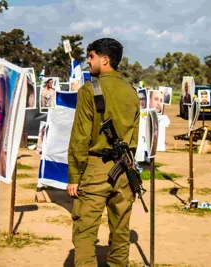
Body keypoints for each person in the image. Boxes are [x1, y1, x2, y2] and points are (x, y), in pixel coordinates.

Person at [67, 38, 139, 267]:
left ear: (105, 59)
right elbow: (135, 137)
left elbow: (80, 136)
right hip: (125, 170)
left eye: (92, 56)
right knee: (121, 230)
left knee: (85, 230)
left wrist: (74, 177)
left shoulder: (89, 90)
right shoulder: (131, 92)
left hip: (96, 168)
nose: (88, 61)